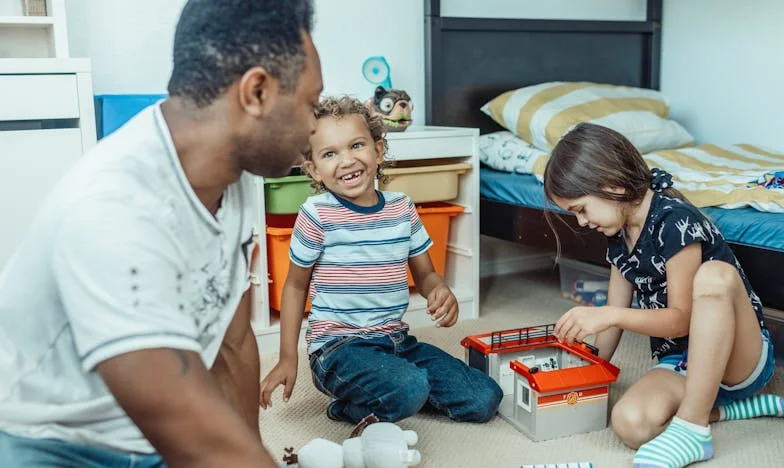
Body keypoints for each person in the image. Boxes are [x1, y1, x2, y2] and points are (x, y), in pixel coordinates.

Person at [0, 1, 323, 466]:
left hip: (146, 438)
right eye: (311, 103)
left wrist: (253, 451)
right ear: (256, 92)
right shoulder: (112, 210)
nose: (314, 124)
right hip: (44, 442)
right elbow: (189, 433)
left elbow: (231, 345)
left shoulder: (232, 175)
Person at [544, 123, 781, 468]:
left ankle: (693, 427)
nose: (581, 222)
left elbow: (679, 318)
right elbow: (614, 314)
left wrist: (609, 315)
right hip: (683, 364)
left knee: (715, 277)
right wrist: (583, 372)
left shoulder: (674, 219)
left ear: (613, 185)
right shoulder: (618, 236)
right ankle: (721, 411)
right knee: (630, 422)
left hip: (738, 359)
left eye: (582, 209)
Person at [259, 96, 502, 424]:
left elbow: (427, 274)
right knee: (409, 387)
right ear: (314, 169)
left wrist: (439, 290)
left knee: (484, 398)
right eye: (330, 153)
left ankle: (398, 390)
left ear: (379, 151)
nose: (346, 161)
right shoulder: (316, 215)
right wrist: (288, 357)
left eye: (356, 145)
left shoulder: (402, 208)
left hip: (396, 342)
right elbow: (294, 285)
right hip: (338, 349)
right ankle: (350, 406)